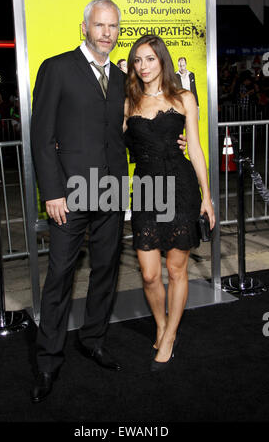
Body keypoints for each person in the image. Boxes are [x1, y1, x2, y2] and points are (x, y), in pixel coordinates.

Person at [30, 0, 187, 403]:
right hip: (70, 194)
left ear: (118, 31)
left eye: (112, 26)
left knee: (105, 270)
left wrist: (177, 141)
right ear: (84, 27)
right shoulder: (57, 68)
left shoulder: (123, 80)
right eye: (99, 25)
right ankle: (48, 359)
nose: (106, 33)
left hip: (113, 192)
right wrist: (52, 191)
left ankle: (94, 338)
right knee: (60, 275)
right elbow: (42, 136)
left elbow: (133, 131)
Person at [124, 35, 215, 372]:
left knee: (176, 270)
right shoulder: (128, 102)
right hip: (147, 190)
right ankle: (161, 325)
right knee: (149, 274)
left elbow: (196, 149)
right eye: (137, 60)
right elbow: (115, 144)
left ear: (162, 60)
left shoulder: (183, 98)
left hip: (181, 189)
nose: (143, 66)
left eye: (149, 59)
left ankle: (171, 333)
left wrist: (207, 197)